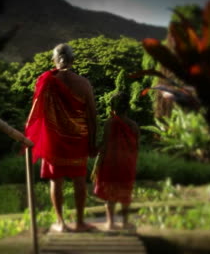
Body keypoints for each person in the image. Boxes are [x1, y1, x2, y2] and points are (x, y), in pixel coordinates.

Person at [25, 43, 97, 232]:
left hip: (54, 140)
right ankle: (80, 222)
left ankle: (61, 223)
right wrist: (93, 142)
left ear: (54, 61)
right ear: (73, 60)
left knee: (56, 181)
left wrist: (32, 134)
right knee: (79, 179)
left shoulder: (46, 82)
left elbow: (35, 114)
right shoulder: (84, 84)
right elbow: (92, 116)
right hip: (78, 139)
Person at [92, 91, 139, 230]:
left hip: (110, 164)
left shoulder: (109, 123)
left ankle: (111, 223)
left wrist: (97, 160)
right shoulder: (134, 125)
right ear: (127, 107)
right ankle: (124, 222)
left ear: (112, 107)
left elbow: (105, 146)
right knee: (125, 195)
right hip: (127, 164)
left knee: (110, 196)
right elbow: (136, 148)